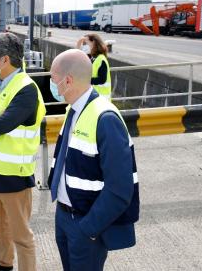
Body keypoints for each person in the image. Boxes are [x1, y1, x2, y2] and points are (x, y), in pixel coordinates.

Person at [48, 49, 140, 271]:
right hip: (65, 215)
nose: (51, 85)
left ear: (67, 81)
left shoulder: (105, 119)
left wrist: (88, 228)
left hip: (85, 223)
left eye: (52, 79)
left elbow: (119, 190)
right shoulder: (75, 110)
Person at [0, 33, 46, 271]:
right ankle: (3, 263)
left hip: (15, 176)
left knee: (21, 234)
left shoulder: (26, 90)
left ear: (4, 60)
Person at [76, 33, 112, 100]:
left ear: (93, 42)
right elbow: (79, 56)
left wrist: (86, 80)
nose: (86, 45)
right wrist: (79, 43)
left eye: (87, 42)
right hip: (94, 95)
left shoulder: (101, 59)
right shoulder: (93, 57)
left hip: (102, 97)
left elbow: (102, 80)